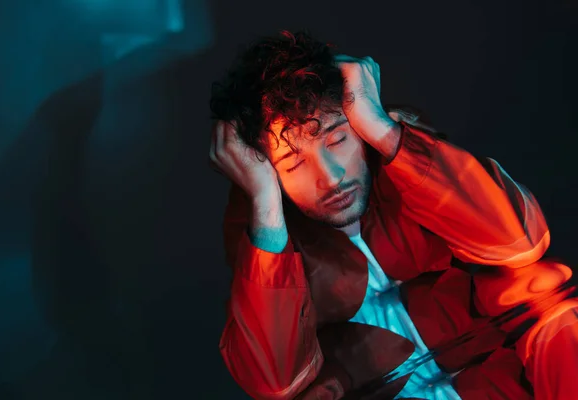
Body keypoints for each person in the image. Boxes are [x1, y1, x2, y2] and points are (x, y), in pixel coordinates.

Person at [208, 30, 578, 400]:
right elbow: (274, 382)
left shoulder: (402, 159)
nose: (331, 177)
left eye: (337, 140)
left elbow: (518, 242)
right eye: (293, 163)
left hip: (521, 382)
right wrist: (266, 208)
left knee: (558, 310)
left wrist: (379, 125)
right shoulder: (262, 227)